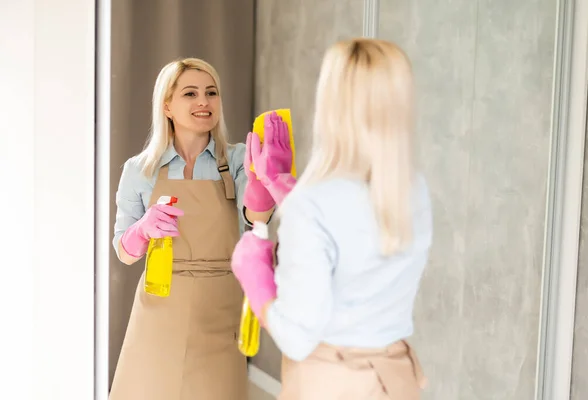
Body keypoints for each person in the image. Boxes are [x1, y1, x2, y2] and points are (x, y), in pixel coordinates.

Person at [231, 38, 433, 399]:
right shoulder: (412, 189)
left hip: (331, 385)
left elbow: (296, 336)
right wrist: (286, 192)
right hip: (395, 382)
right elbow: (357, 237)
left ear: (331, 105)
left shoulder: (312, 207)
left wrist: (254, 276)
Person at [109, 58, 284, 400]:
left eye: (211, 92)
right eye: (191, 93)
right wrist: (142, 229)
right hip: (159, 308)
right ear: (168, 106)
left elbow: (257, 217)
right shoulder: (140, 169)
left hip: (220, 309)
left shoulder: (235, 160)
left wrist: (268, 179)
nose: (204, 101)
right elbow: (124, 252)